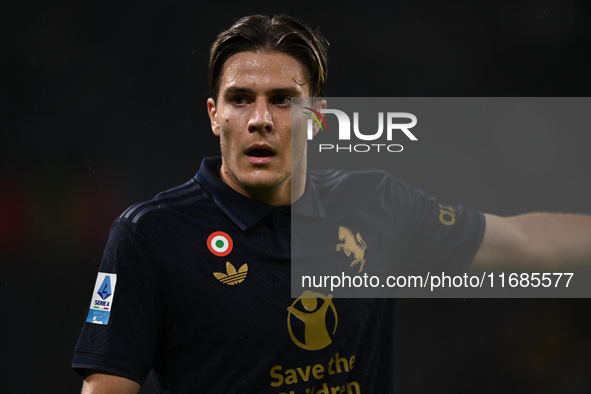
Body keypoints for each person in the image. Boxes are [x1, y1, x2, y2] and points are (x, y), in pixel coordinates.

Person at [72, 14, 591, 394]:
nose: (260, 119)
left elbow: (526, 243)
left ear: (318, 118)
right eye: (239, 99)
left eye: (282, 100)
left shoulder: (375, 203)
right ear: (214, 114)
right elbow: (107, 387)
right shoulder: (150, 235)